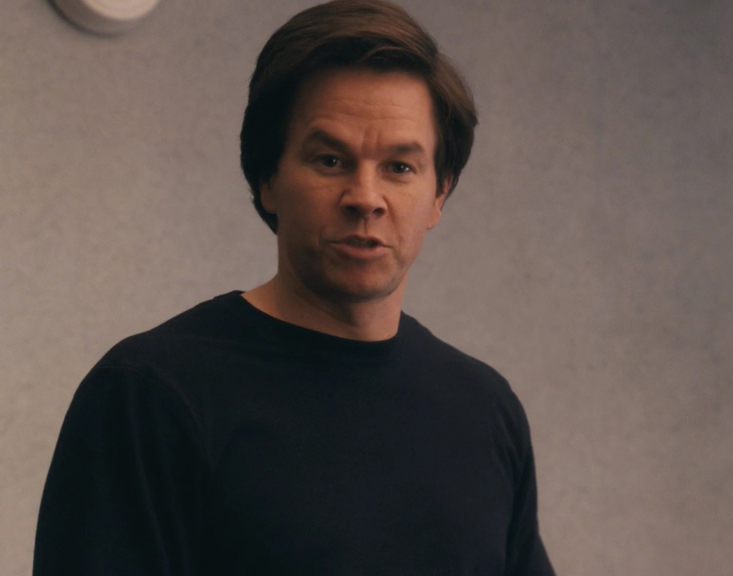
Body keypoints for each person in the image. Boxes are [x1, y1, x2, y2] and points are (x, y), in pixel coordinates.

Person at [33, 1, 555, 574]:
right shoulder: (150, 395)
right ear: (268, 180)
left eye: (399, 167)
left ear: (439, 194)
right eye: (330, 160)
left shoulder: (485, 410)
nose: (366, 197)